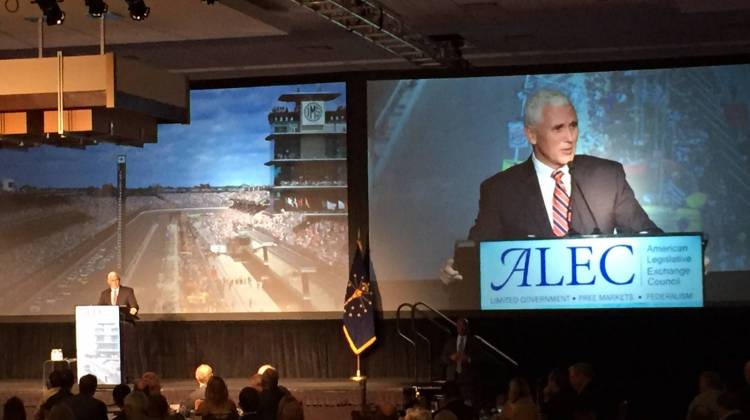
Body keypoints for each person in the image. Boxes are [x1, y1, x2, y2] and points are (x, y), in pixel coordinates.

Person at [468, 89, 661, 241]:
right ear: (531, 134)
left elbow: (648, 237)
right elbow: (478, 254)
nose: (569, 138)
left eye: (573, 126)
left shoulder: (607, 177)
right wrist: (458, 267)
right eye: (558, 128)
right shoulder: (500, 189)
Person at [97, 271, 141, 383]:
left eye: (116, 279)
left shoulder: (127, 291)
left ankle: (129, 377)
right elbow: (99, 309)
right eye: (112, 280)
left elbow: (134, 305)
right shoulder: (104, 294)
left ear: (119, 280)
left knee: (127, 352)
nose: (115, 282)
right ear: (108, 282)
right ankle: (113, 376)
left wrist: (133, 310)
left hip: (125, 325)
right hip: (109, 328)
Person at [440, 319, 479, 407]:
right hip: (452, 379)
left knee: (467, 404)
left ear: (467, 327)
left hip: (467, 380)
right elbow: (443, 358)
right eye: (459, 326)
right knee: (453, 404)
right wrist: (451, 358)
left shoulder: (474, 342)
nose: (461, 328)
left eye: (463, 326)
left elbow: (480, 358)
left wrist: (468, 359)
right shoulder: (450, 342)